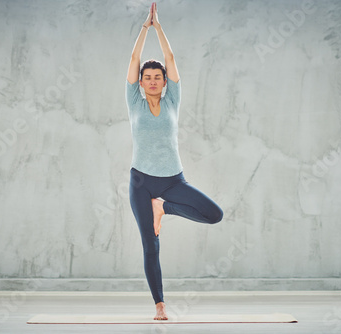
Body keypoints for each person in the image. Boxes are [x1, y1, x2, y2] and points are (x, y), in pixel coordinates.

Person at [126, 2, 223, 321]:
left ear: (164, 82)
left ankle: (162, 207)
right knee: (150, 245)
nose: (153, 80)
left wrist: (160, 27)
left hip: (173, 180)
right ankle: (159, 305)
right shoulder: (135, 103)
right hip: (141, 182)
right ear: (141, 83)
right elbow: (133, 59)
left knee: (213, 214)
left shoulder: (172, 101)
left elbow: (171, 59)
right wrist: (144, 28)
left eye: (158, 77)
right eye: (148, 77)